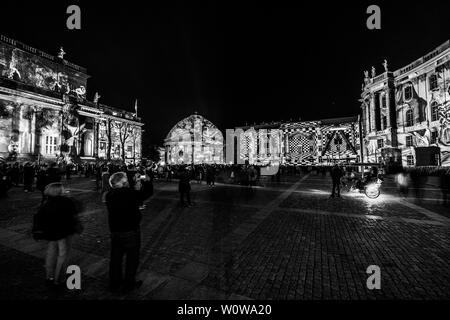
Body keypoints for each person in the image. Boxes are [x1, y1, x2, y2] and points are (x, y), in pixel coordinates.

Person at [34, 183, 83, 289]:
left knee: (51, 255)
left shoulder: (47, 202)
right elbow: (77, 210)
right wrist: (70, 197)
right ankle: (59, 279)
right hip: (64, 232)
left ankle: (49, 277)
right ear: (59, 191)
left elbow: (39, 217)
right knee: (63, 256)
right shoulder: (66, 201)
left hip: (51, 233)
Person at [105, 172, 143, 293]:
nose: (127, 181)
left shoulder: (109, 194)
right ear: (121, 182)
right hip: (130, 231)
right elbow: (140, 199)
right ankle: (129, 283)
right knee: (132, 259)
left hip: (115, 231)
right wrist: (138, 188)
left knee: (116, 258)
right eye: (125, 179)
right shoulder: (129, 193)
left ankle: (114, 283)